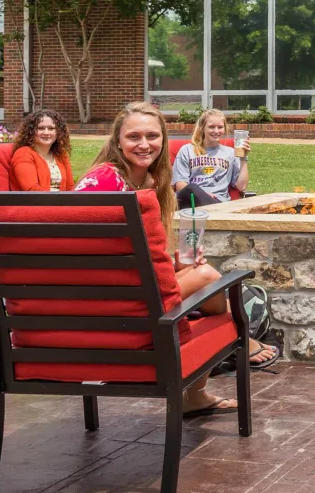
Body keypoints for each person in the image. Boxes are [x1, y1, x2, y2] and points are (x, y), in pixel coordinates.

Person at [75, 102, 278, 414]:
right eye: (134, 137)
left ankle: (229, 349)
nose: (144, 144)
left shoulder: (141, 181)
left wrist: (169, 262)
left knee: (198, 271)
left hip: (113, 291)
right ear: (117, 141)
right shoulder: (107, 182)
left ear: (163, 140)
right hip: (115, 302)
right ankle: (236, 344)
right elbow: (88, 248)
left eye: (152, 136)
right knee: (210, 279)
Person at [172, 108, 250, 210]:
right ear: (202, 128)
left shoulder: (230, 153)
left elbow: (242, 186)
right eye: (211, 127)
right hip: (190, 202)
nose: (216, 131)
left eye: (220, 127)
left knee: (201, 194)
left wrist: (243, 158)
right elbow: (180, 184)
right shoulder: (187, 150)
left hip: (218, 202)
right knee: (192, 187)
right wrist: (203, 195)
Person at [9, 109, 75, 192]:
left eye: (51, 128)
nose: (46, 132)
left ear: (58, 132)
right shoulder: (23, 154)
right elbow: (32, 190)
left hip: (61, 202)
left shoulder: (61, 154)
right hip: (34, 203)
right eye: (41, 128)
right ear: (31, 131)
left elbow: (70, 187)